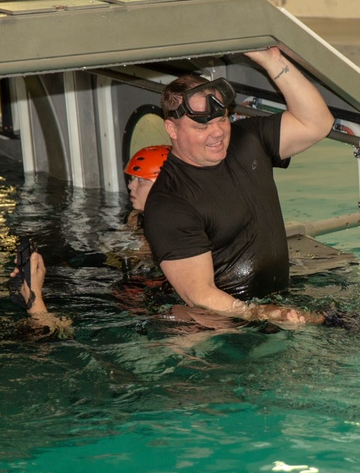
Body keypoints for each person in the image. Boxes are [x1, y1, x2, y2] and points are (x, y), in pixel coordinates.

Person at [142, 47, 334, 326]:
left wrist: (272, 60)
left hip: (280, 305)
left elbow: (318, 123)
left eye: (222, 119)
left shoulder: (248, 141)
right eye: (201, 127)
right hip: (228, 325)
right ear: (172, 130)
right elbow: (199, 295)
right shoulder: (169, 203)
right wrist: (260, 313)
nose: (217, 132)